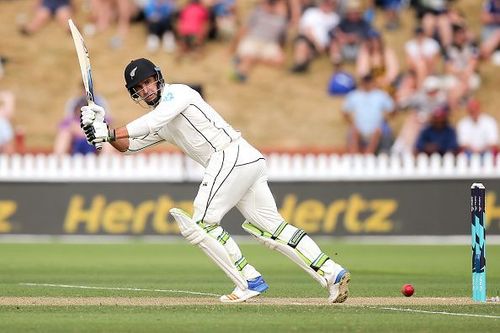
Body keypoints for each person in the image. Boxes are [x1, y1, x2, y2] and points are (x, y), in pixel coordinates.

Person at [79, 58, 350, 303]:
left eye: (149, 81)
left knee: (200, 225)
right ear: (135, 93)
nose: (147, 89)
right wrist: (103, 129)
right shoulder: (160, 119)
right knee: (274, 230)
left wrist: (109, 131)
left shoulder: (178, 94)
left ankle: (249, 280)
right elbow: (131, 145)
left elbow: (151, 122)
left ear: (158, 78)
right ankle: (332, 273)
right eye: (140, 87)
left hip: (229, 155)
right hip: (244, 161)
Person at [230, 0, 288, 82]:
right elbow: (244, 29)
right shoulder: (257, 12)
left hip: (269, 44)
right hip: (252, 40)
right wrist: (232, 47)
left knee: (280, 61)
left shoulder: (281, 18)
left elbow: (282, 37)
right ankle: (241, 73)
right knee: (248, 57)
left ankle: (245, 59)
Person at [342, 74, 395, 154]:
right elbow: (345, 112)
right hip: (359, 128)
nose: (367, 84)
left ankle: (369, 154)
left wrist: (385, 120)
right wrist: (352, 124)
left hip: (377, 128)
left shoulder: (381, 95)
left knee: (379, 131)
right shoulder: (354, 95)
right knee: (354, 132)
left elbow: (392, 110)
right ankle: (354, 156)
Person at [289, 0, 339, 73]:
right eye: (326, 2)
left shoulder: (335, 18)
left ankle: (336, 63)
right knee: (302, 43)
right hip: (310, 40)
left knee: (334, 42)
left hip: (325, 45)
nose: (328, 4)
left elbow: (335, 34)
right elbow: (306, 30)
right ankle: (300, 64)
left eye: (331, 3)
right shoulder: (311, 12)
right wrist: (317, 43)